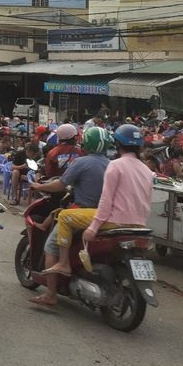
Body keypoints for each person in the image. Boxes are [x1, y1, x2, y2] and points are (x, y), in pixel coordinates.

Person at [43, 123, 153, 278]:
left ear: (117, 144)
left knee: (64, 216)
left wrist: (93, 228)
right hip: (139, 224)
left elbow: (106, 200)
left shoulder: (116, 165)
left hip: (114, 220)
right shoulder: (147, 170)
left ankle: (63, 263)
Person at [27, 126, 114, 309]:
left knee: (51, 246)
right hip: (105, 216)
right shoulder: (112, 165)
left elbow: (59, 184)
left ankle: (50, 294)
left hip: (80, 213)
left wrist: (38, 186)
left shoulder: (80, 161)